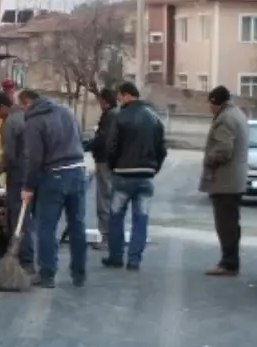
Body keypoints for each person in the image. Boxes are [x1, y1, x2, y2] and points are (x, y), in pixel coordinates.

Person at [19, 89, 88, 288]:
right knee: (77, 225)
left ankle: (47, 275)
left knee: (46, 227)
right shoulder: (66, 112)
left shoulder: (34, 121)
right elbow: (79, 138)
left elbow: (34, 158)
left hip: (54, 175)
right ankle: (79, 274)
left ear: (27, 103)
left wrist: (28, 186)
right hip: (77, 170)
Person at [103, 81, 167, 270]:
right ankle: (134, 259)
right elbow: (162, 148)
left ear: (126, 95)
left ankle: (115, 256)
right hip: (145, 175)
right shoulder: (154, 117)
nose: (119, 100)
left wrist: (113, 166)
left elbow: (111, 146)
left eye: (120, 96)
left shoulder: (119, 116)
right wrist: (154, 168)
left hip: (123, 174)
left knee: (116, 216)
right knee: (141, 218)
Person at [199, 85, 249, 276]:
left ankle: (228, 263)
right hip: (234, 180)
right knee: (232, 223)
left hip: (225, 181)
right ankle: (231, 261)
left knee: (225, 224)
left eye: (210, 104)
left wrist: (209, 159)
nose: (209, 108)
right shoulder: (237, 114)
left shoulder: (225, 120)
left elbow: (223, 149)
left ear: (215, 102)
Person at [0, 91, 24, 254]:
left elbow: (9, 153)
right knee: (25, 214)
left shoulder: (9, 123)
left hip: (17, 172)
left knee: (15, 211)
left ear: (3, 107)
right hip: (29, 171)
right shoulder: (24, 115)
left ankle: (15, 251)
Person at [87, 87, 118, 250]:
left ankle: (105, 236)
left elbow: (104, 139)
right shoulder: (116, 114)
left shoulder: (110, 116)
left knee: (104, 198)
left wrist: (89, 145)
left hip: (104, 160)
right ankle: (110, 236)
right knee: (110, 198)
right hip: (110, 161)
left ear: (104, 101)